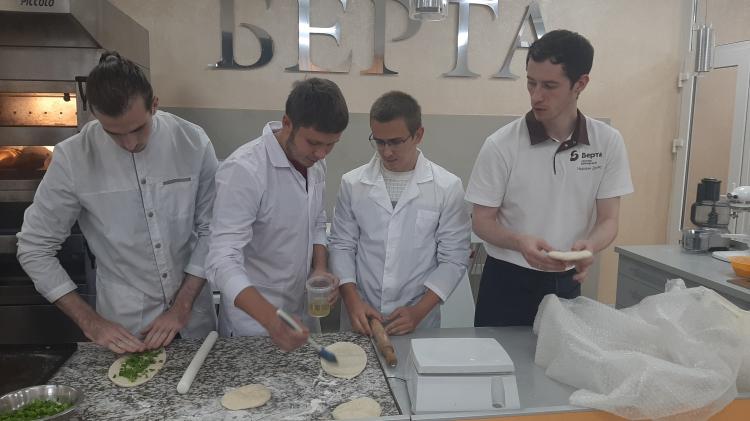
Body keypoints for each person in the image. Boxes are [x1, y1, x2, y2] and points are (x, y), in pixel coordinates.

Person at [17, 51, 218, 353]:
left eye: (139, 129)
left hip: (195, 321)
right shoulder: (74, 158)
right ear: (95, 116)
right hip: (125, 328)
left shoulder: (192, 141)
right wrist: (91, 323)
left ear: (154, 104)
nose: (129, 143)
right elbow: (34, 248)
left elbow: (212, 229)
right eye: (113, 133)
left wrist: (182, 306)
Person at [465, 29, 634, 327]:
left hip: (566, 282)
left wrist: (590, 246)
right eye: (531, 83)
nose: (536, 96)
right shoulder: (501, 145)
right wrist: (519, 241)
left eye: (549, 86)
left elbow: (609, 220)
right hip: (506, 280)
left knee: (557, 369)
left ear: (580, 83)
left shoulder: (606, 142)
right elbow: (481, 221)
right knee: (498, 368)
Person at [206, 78, 348, 350]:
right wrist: (270, 319)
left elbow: (317, 218)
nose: (321, 153)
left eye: (330, 145)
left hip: (300, 313)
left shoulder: (315, 164)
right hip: (253, 324)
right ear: (287, 123)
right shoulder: (244, 170)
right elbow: (221, 260)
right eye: (314, 142)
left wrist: (319, 267)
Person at [329, 91, 470, 336]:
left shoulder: (447, 187)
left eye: (395, 142)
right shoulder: (353, 183)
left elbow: (454, 259)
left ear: (418, 135)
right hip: (361, 312)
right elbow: (342, 245)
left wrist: (418, 311)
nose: (386, 152)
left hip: (417, 317)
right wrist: (353, 303)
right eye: (379, 141)